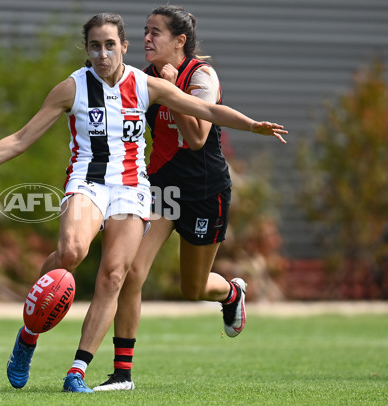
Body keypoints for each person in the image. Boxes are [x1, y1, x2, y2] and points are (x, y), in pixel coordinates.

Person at [0, 12, 286, 393]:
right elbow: (20, 139)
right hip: (88, 182)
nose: (102, 53)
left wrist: (251, 125)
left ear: (123, 47)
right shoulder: (71, 88)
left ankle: (77, 371)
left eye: (110, 45)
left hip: (132, 189)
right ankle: (29, 333)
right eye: (94, 46)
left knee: (116, 275)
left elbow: (207, 112)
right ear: (87, 49)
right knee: (71, 253)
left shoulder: (147, 83)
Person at [92, 6, 288, 391]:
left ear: (180, 41)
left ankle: (231, 293)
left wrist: (173, 91)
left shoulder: (200, 76)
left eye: (156, 33)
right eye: (145, 32)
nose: (147, 39)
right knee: (131, 272)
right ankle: (122, 375)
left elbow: (197, 137)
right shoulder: (144, 78)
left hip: (204, 191)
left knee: (193, 288)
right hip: (162, 188)